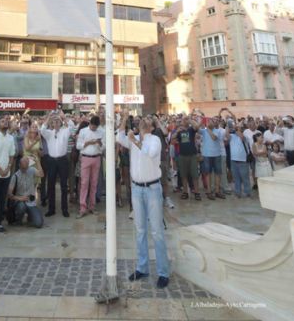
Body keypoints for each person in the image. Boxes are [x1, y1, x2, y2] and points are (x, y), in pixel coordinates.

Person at [117, 110, 170, 289]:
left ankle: (163, 271)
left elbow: (150, 153)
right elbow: (119, 137)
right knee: (140, 230)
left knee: (156, 231)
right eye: (143, 118)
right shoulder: (133, 139)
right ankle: (142, 267)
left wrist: (135, 140)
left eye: (148, 119)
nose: (144, 120)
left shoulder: (154, 140)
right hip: (137, 189)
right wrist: (124, 119)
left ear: (152, 126)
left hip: (153, 189)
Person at [40, 110, 74, 218]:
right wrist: (49, 117)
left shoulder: (65, 131)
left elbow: (72, 126)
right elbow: (42, 129)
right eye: (54, 122)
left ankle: (65, 209)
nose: (56, 123)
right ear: (52, 123)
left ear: (60, 123)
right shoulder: (49, 133)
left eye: (57, 121)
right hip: (51, 161)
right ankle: (51, 209)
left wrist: (63, 118)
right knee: (50, 185)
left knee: (64, 185)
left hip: (63, 160)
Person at [76, 115, 105, 218]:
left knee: (94, 183)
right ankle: (82, 207)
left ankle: (92, 206)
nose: (94, 128)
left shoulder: (101, 132)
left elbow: (104, 147)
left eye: (95, 127)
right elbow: (78, 145)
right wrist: (88, 143)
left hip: (97, 158)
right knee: (84, 183)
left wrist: (100, 143)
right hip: (85, 157)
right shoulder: (83, 131)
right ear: (90, 123)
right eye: (93, 126)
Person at [170, 114, 201, 201]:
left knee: (194, 175)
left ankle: (197, 192)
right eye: (183, 120)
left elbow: (197, 127)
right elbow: (172, 140)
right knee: (183, 175)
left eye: (186, 120)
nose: (185, 121)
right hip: (182, 155)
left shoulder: (191, 129)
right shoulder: (178, 130)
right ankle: (185, 192)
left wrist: (190, 120)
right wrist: (177, 131)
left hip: (192, 155)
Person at [7, 156, 44, 228]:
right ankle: (18, 220)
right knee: (21, 207)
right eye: (23, 168)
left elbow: (42, 174)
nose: (25, 170)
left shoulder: (31, 170)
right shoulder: (15, 176)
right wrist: (19, 198)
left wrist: (37, 162)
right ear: (19, 165)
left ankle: (30, 217)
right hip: (20, 202)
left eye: (26, 167)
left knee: (39, 223)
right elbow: (9, 194)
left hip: (31, 202)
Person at [224, 122, 252, 198]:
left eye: (239, 128)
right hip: (233, 160)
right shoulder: (232, 136)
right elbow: (226, 135)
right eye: (236, 128)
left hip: (243, 161)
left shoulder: (245, 135)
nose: (236, 129)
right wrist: (227, 128)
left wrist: (237, 129)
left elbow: (241, 137)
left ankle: (247, 192)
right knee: (236, 178)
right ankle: (237, 192)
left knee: (245, 177)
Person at [200, 118, 224, 200]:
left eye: (211, 122)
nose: (209, 123)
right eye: (208, 121)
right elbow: (196, 129)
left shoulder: (217, 131)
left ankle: (217, 191)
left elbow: (214, 138)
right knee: (208, 173)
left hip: (217, 155)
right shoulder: (203, 131)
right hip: (207, 155)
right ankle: (209, 191)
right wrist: (201, 122)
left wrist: (207, 129)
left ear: (214, 124)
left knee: (218, 173)